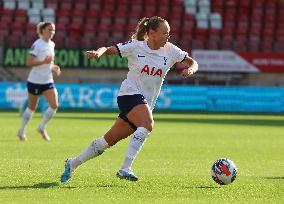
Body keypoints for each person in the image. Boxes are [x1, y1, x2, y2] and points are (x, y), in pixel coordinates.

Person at [60, 16, 198, 183]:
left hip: (145, 103)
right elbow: (108, 48)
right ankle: (125, 168)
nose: (168, 37)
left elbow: (193, 62)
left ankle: (73, 163)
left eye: (168, 34)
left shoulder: (170, 50)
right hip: (129, 94)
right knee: (147, 124)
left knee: (108, 140)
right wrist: (98, 53)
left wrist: (191, 69)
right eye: (165, 33)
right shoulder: (135, 47)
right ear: (152, 33)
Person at [17, 22, 61, 141]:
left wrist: (53, 67)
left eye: (53, 30)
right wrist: (44, 62)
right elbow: (29, 62)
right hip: (35, 81)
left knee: (54, 104)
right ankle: (21, 131)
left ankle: (41, 127)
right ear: (42, 30)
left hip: (47, 80)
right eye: (49, 29)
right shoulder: (37, 44)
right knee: (32, 107)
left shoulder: (52, 44)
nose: (52, 32)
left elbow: (48, 62)